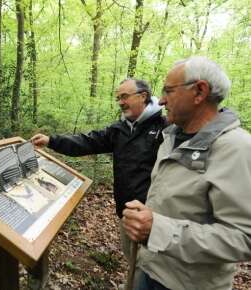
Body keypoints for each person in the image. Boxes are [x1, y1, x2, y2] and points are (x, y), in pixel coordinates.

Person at [122, 56, 251, 290]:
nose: (160, 100)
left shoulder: (237, 148)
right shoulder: (171, 139)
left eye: (168, 91)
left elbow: (243, 237)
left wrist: (157, 229)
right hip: (149, 269)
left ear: (199, 92)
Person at [31, 79, 167, 268]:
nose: (120, 102)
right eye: (118, 98)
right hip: (126, 213)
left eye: (125, 96)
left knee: (153, 269)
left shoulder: (165, 129)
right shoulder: (119, 130)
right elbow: (87, 142)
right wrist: (51, 141)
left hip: (155, 218)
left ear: (143, 96)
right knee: (133, 262)